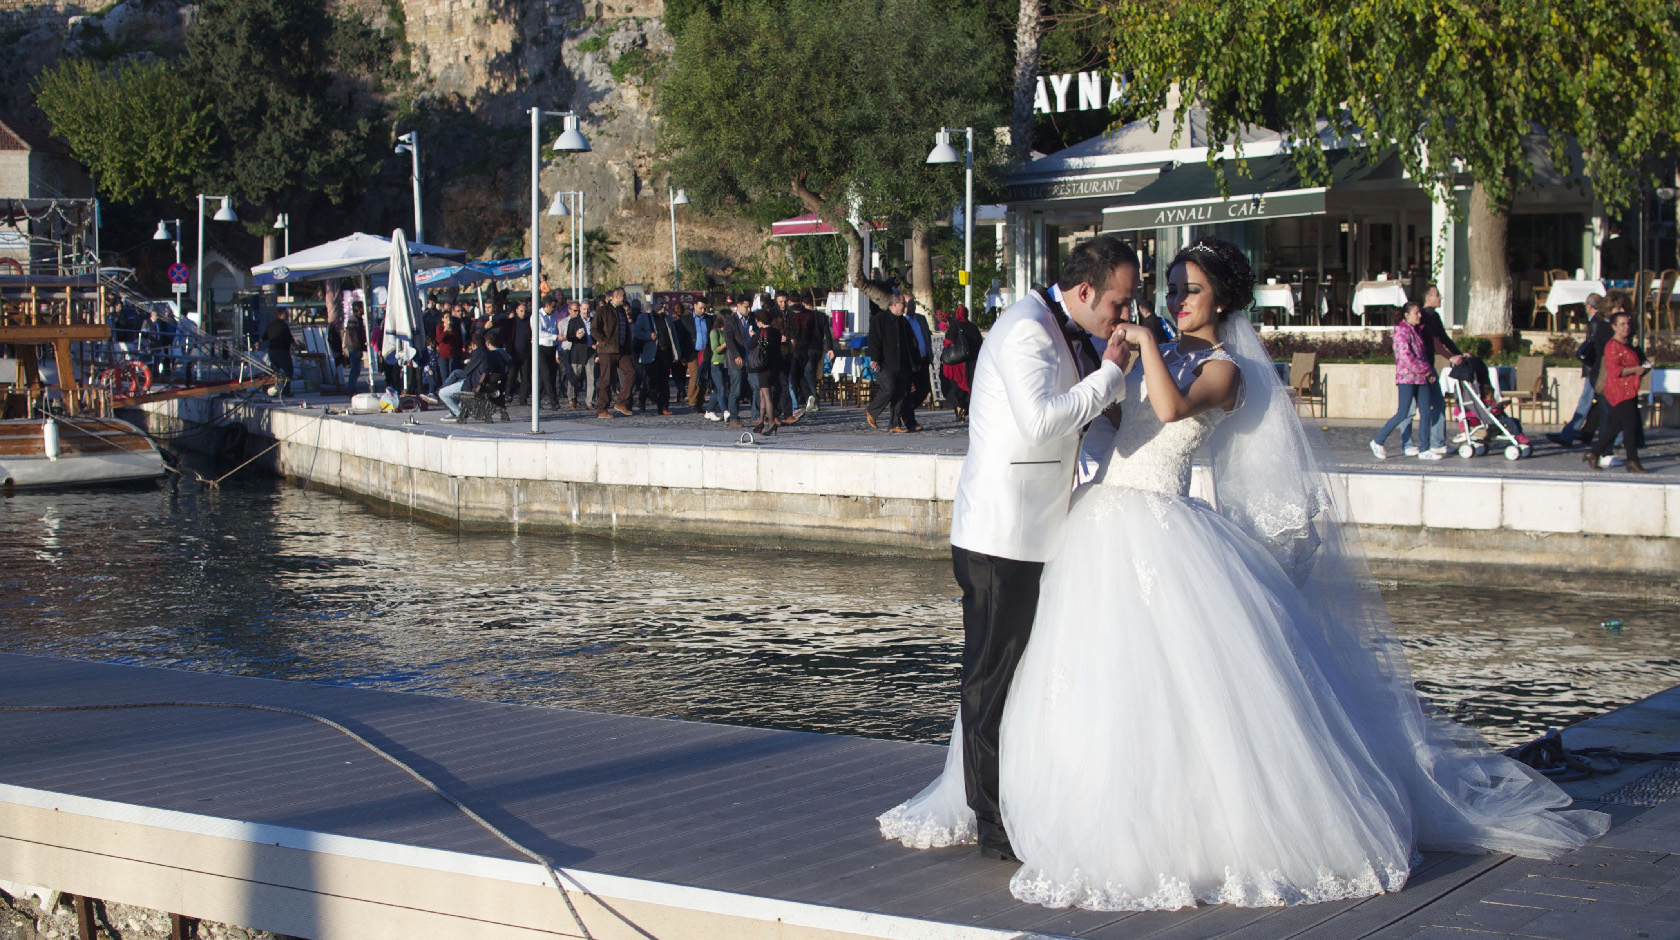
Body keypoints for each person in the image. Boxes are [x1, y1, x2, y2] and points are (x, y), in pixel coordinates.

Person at [879, 236, 1606, 910]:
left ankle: (1172, 828)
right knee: (1080, 681)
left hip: (1159, 527)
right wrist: (1120, 366)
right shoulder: (1147, 345)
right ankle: (1029, 806)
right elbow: (1110, 425)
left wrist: (1129, 353)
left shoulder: (1225, 370)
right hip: (1095, 524)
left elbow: (1164, 408)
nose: (1172, 303)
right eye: (1167, 291)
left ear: (1221, 299)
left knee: (1173, 690)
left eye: (1186, 290)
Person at [885, 234, 1135, 863]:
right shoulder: (1027, 328)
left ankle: (1013, 802)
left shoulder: (1061, 327)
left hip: (1034, 531)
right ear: (1085, 291)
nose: (1123, 315)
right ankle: (990, 820)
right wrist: (1110, 375)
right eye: (1118, 302)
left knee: (1021, 675)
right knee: (990, 678)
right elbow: (1041, 420)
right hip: (1001, 536)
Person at [1586, 310, 1652, 473]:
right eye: (1622, 324)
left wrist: (1643, 367)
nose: (1626, 327)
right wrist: (1636, 369)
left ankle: (1594, 454)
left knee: (1615, 426)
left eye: (1628, 323)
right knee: (1629, 425)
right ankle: (1632, 460)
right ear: (1614, 326)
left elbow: (1634, 363)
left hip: (1630, 388)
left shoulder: (1628, 345)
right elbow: (1615, 370)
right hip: (1619, 390)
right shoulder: (1612, 346)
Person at [1369, 302, 1436, 460]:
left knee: (1426, 412)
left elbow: (1422, 354)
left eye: (1419, 313)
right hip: (1407, 378)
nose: (1419, 316)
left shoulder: (1417, 331)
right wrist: (1425, 368)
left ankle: (1425, 448)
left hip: (1421, 378)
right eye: (1416, 313)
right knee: (1403, 412)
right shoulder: (1401, 331)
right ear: (1407, 315)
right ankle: (1378, 441)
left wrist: (1429, 371)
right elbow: (1406, 357)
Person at [1549, 292, 1614, 447]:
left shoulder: (1596, 321)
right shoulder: (1603, 321)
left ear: (1589, 306)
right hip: (1598, 368)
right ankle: (1586, 433)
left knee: (1585, 403)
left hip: (1594, 369)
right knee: (1597, 404)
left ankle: (1568, 435)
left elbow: (1592, 347)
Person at [865, 294, 916, 432]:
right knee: (889, 388)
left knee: (900, 393)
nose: (905, 307)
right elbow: (874, 341)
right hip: (886, 362)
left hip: (902, 363)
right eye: (902, 304)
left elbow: (909, 341)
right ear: (894, 305)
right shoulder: (879, 319)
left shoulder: (903, 321)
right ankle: (872, 410)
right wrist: (875, 358)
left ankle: (894, 424)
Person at [439, 331, 510, 420]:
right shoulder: (495, 354)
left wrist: (468, 363)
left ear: (473, 345)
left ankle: (459, 414)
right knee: (456, 377)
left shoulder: (479, 353)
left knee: (442, 393)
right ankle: (456, 410)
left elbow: (467, 372)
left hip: (475, 385)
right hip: (488, 385)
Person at [591, 288, 635, 417]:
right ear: (616, 296)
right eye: (623, 296)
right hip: (607, 350)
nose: (625, 298)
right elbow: (594, 329)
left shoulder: (621, 311)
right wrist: (603, 341)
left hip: (621, 350)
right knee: (606, 380)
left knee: (631, 372)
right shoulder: (603, 310)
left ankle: (621, 402)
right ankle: (602, 409)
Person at [634, 301, 680, 415]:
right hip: (652, 353)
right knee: (650, 380)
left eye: (664, 304)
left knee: (664, 381)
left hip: (665, 353)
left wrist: (677, 353)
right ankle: (642, 399)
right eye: (662, 304)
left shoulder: (667, 318)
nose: (664, 306)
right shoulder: (645, 317)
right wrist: (648, 336)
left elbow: (673, 336)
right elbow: (637, 332)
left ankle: (663, 407)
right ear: (655, 306)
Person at [940, 305, 984, 422]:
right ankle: (964, 409)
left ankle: (959, 408)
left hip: (957, 364)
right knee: (968, 390)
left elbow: (948, 341)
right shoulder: (973, 327)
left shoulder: (955, 325)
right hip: (972, 364)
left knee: (953, 387)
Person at [748, 306, 786, 435]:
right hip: (775, 365)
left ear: (760, 320)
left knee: (766, 394)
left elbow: (751, 345)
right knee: (763, 393)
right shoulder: (776, 332)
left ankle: (771, 422)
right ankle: (760, 421)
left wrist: (753, 335)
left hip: (764, 366)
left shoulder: (761, 332)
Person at [722, 298, 753, 427]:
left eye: (749, 307)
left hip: (750, 359)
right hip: (737, 360)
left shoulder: (750, 319)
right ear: (738, 306)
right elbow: (729, 339)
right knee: (736, 389)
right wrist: (736, 355)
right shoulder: (731, 320)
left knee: (753, 388)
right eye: (746, 307)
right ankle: (734, 416)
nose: (749, 310)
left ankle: (756, 415)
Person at [561, 301, 594, 408]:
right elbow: (569, 336)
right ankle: (572, 397)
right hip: (578, 352)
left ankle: (590, 401)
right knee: (575, 376)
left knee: (591, 377)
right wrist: (576, 336)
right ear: (580, 309)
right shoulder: (574, 321)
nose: (586, 311)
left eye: (588, 309)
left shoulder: (594, 321)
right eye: (584, 309)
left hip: (590, 352)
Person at [684, 300, 713, 410]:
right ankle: (692, 401)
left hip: (705, 351)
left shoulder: (709, 319)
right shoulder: (686, 320)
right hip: (692, 352)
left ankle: (700, 402)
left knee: (704, 377)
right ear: (695, 306)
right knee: (695, 376)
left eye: (705, 308)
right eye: (701, 308)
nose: (703, 310)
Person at [536, 296, 562, 410]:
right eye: (553, 307)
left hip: (552, 347)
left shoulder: (554, 315)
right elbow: (539, 332)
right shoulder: (537, 316)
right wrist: (555, 337)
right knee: (546, 375)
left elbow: (555, 329)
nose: (554, 309)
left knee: (549, 376)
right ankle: (554, 402)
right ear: (546, 306)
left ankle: (537, 399)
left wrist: (557, 351)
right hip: (541, 348)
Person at [263, 308, 295, 397]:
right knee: (288, 371)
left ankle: (269, 389)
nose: (287, 315)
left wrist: (258, 342)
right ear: (280, 315)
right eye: (285, 314)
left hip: (272, 352)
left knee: (273, 372)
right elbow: (290, 339)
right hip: (282, 351)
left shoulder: (270, 325)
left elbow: (264, 337)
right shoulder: (283, 326)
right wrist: (297, 348)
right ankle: (286, 391)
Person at [705, 312, 730, 421]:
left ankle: (709, 410)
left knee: (718, 389)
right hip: (716, 363)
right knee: (721, 388)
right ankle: (725, 410)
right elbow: (715, 349)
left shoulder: (726, 332)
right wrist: (725, 344)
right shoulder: (714, 332)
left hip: (726, 363)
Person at [343, 303, 368, 392]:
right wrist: (361, 348)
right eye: (362, 308)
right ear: (358, 309)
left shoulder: (357, 320)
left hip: (355, 347)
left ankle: (352, 388)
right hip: (354, 348)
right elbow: (355, 337)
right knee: (355, 369)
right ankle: (351, 389)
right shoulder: (354, 321)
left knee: (356, 369)